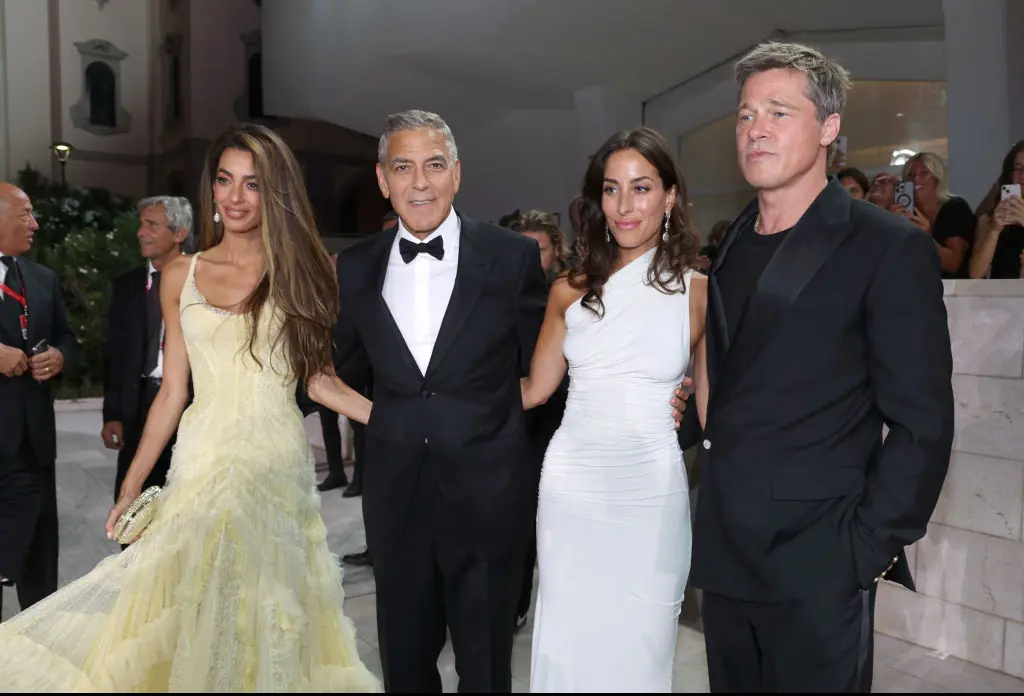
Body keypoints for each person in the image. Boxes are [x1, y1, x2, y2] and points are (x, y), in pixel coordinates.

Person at [0, 124, 380, 692]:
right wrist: (130, 485)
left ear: (273, 191)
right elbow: (173, 392)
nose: (235, 195)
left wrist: (402, 422)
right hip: (202, 461)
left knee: (264, 613)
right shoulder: (182, 274)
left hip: (274, 463)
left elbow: (321, 381)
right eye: (225, 180)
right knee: (193, 603)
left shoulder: (308, 270)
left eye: (252, 183)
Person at [675, 41, 953, 693]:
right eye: (745, 115)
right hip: (725, 553)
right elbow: (736, 373)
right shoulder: (734, 240)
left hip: (818, 561)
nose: (755, 129)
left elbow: (922, 425)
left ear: (829, 128)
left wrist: (864, 550)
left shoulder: (888, 248)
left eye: (778, 111)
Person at [327, 109, 547, 692]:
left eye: (433, 166)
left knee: (484, 666)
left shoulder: (511, 257)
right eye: (404, 168)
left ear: (456, 174)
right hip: (396, 500)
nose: (419, 183)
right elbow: (337, 368)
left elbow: (540, 374)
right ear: (382, 179)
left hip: (487, 500)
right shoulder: (354, 268)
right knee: (404, 663)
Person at [521, 127, 707, 692]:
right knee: (571, 641)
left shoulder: (699, 293)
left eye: (642, 188)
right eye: (611, 189)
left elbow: (721, 405)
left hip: (651, 489)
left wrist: (690, 397)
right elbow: (533, 391)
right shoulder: (568, 291)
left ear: (670, 196)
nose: (624, 207)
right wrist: (435, 398)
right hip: (572, 485)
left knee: (643, 645)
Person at [0, 183, 79, 612]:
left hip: (32, 445)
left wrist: (60, 357)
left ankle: (36, 651)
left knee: (38, 564)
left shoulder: (42, 279)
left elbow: (67, 337)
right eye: (25, 214)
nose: (35, 224)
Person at [102, 197, 192, 528]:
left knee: (181, 507)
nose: (141, 233)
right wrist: (112, 413)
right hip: (138, 406)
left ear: (180, 233)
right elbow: (114, 353)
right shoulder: (126, 286)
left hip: (190, 409)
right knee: (131, 517)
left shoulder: (203, 282)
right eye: (142, 224)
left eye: (151, 225)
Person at [506, 210, 572, 631]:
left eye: (540, 250)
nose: (531, 259)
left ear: (555, 252)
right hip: (512, 419)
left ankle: (527, 602)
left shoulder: (572, 295)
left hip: (560, 426)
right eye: (522, 250)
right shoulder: (494, 297)